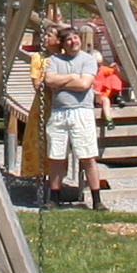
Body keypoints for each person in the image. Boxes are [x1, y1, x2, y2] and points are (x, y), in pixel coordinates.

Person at [35, 25, 106, 208]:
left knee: (87, 155)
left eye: (76, 38)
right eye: (69, 39)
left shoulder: (88, 60)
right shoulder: (54, 60)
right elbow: (49, 81)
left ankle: (97, 200)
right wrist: (73, 77)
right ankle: (54, 198)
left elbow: (84, 84)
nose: (73, 41)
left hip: (81, 111)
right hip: (59, 113)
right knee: (57, 156)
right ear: (63, 43)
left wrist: (63, 81)